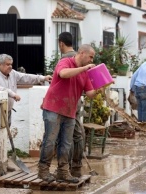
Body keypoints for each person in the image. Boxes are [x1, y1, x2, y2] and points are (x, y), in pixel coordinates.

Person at [38, 44, 98, 183]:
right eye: (90, 56)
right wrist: (84, 68)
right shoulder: (66, 62)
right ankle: (43, 171)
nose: (91, 60)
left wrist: (101, 87)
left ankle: (63, 172)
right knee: (50, 141)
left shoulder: (85, 73)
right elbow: (63, 73)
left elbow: (90, 94)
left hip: (69, 111)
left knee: (66, 143)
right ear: (82, 53)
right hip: (53, 107)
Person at [0, 54, 52, 127]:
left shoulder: (13, 73)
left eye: (11, 64)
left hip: (7, 110)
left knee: (5, 135)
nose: (10, 66)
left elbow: (26, 78)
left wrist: (43, 78)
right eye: (7, 64)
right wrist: (12, 94)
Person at [58, 32, 84, 178]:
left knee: (67, 135)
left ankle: (68, 168)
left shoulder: (66, 58)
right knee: (76, 133)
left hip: (66, 101)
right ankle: (76, 167)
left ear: (61, 43)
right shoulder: (80, 57)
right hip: (77, 99)